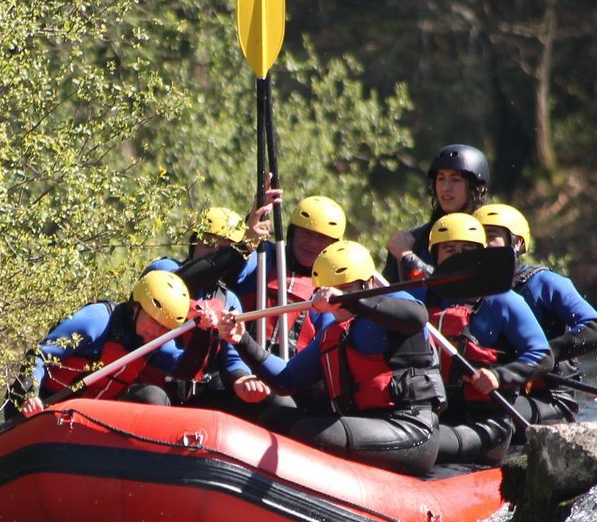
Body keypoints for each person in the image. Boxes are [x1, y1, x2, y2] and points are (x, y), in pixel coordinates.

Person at [199, 240, 445, 477]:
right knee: (274, 418)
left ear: (368, 284)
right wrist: (242, 340)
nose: (338, 301)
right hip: (364, 426)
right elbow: (287, 380)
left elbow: (416, 317)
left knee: (304, 430)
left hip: (410, 429)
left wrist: (353, 300)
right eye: (330, 292)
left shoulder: (396, 303)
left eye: (346, 290)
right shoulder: (335, 333)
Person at [423, 213, 551, 467]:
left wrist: (498, 376)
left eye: (467, 250)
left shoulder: (502, 300)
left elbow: (542, 356)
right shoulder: (422, 297)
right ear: (435, 256)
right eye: (450, 250)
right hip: (436, 417)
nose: (459, 257)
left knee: (419, 442)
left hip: (487, 426)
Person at [474, 203, 597, 427]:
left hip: (549, 397)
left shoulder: (545, 282)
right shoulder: (469, 292)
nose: (484, 244)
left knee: (489, 412)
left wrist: (540, 358)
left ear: (516, 243)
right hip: (498, 388)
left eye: (492, 236)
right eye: (479, 237)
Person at [145, 207, 278, 416]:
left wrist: (241, 379)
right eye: (208, 244)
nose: (215, 253)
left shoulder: (228, 299)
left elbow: (231, 359)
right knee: (152, 398)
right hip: (154, 387)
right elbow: (181, 282)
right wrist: (243, 247)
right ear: (194, 243)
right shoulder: (164, 270)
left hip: (198, 394)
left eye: (224, 249)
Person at [10, 270, 191, 418]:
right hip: (44, 408)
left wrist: (206, 332)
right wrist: (30, 395)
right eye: (154, 322)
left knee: (153, 397)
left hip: (91, 420)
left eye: (165, 329)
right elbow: (39, 356)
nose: (158, 333)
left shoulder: (154, 342)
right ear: (136, 307)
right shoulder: (97, 320)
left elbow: (184, 368)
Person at [231, 188, 348, 350]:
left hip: (291, 370)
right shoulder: (265, 256)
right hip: (242, 365)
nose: (313, 244)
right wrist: (248, 239)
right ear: (292, 233)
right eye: (306, 233)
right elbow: (235, 270)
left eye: (322, 238)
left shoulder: (334, 285)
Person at [385, 144, 491, 282]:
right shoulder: (416, 239)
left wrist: (407, 257)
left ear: (477, 188)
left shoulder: (491, 236)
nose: (446, 188)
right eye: (441, 179)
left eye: (455, 180)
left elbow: (463, 287)